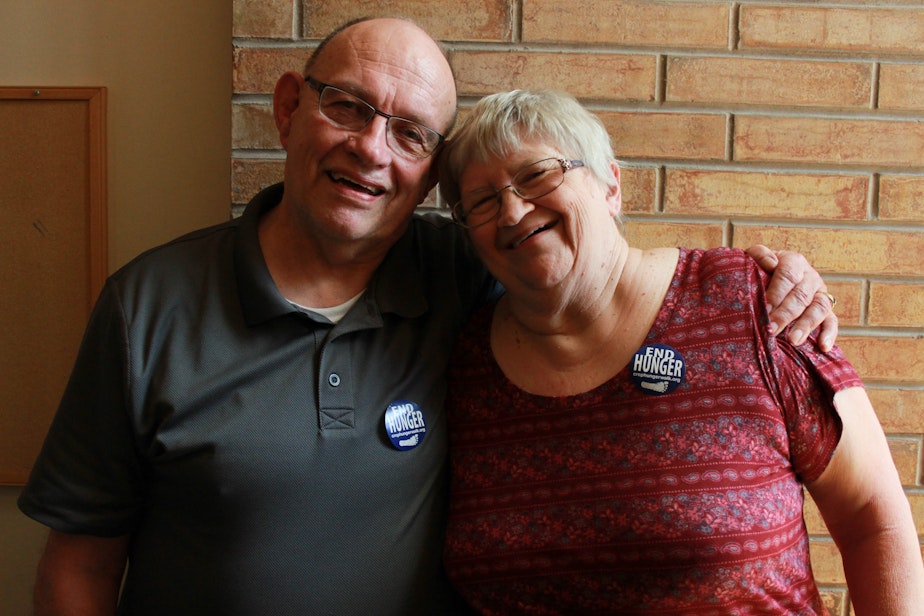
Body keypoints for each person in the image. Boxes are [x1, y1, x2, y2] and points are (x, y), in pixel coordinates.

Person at [18, 18, 837, 616]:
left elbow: (590, 266)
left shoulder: (466, 268)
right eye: (348, 108)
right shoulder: (146, 308)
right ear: (289, 107)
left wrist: (754, 282)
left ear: (428, 172)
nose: (372, 150)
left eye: (411, 135)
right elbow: (78, 566)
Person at [437, 89, 924, 615]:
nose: (512, 209)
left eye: (537, 175)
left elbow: (872, 517)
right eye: (483, 201)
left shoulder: (745, 305)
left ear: (611, 186)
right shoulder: (462, 363)